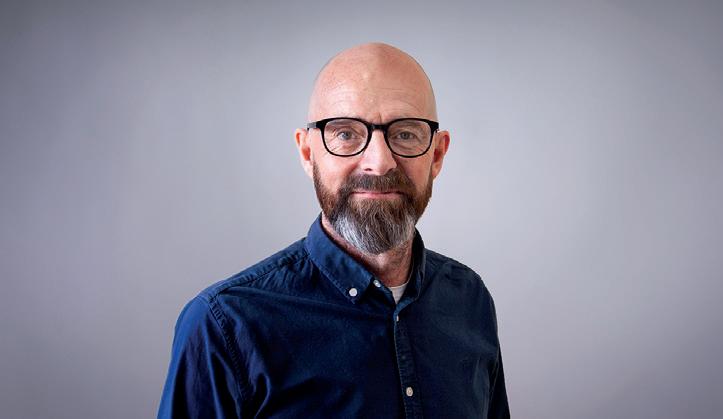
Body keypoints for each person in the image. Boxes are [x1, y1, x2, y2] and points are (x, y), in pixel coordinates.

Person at [158, 42, 509, 418]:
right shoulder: (224, 326)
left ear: (437, 155)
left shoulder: (469, 300)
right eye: (345, 134)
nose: (379, 162)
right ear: (308, 154)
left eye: (405, 134)